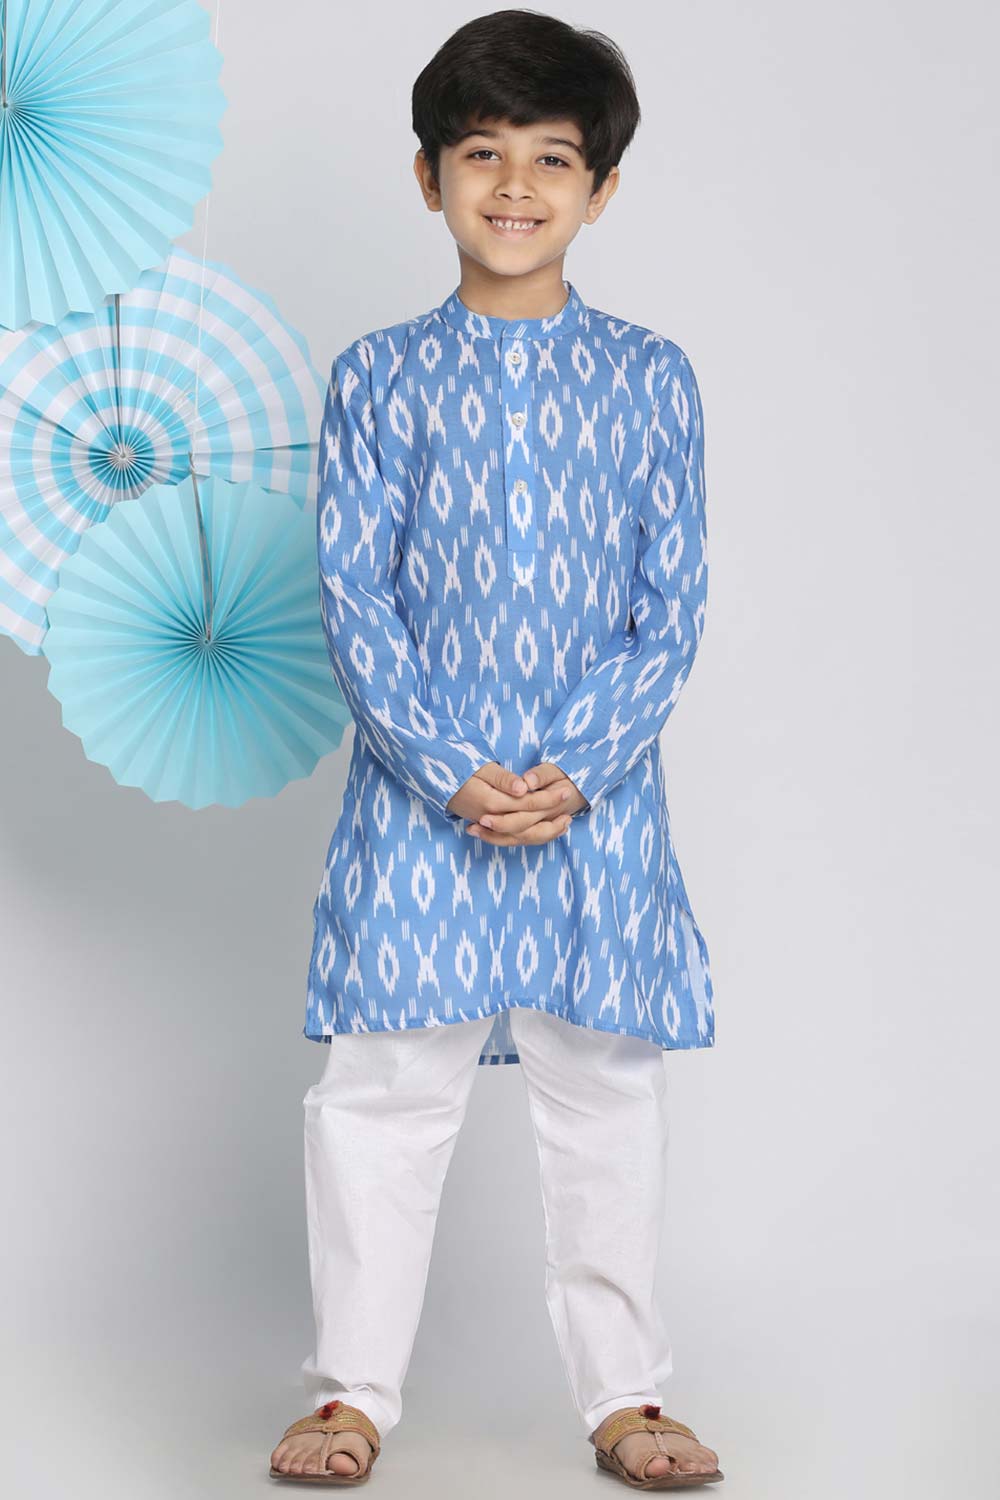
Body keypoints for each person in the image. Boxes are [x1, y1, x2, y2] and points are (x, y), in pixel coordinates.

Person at [270, 8, 723, 1489]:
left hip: (599, 805)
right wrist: (442, 763)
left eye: (553, 158)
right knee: (381, 1099)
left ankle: (626, 1396)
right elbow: (356, 596)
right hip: (422, 804)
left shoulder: (652, 377)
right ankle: (352, 1395)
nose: (516, 186)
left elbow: (671, 604)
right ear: (429, 178)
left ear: (602, 188)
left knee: (607, 1097)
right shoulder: (380, 377)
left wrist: (579, 767)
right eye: (482, 154)